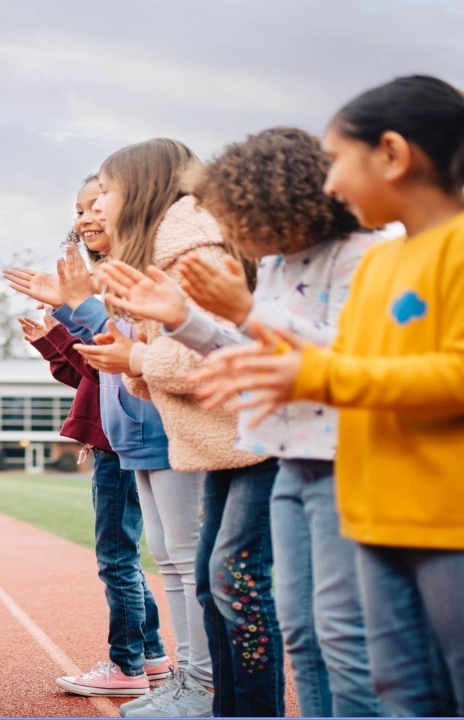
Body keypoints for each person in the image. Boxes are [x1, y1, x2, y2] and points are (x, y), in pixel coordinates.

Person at [195, 76, 464, 716]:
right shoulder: (386, 265)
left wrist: (311, 375)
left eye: (336, 161)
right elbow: (351, 364)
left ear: (392, 153)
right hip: (379, 516)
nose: (328, 185)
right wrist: (262, 364)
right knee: (404, 697)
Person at [104, 127, 380, 716]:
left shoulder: (362, 260)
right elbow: (242, 344)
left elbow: (349, 354)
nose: (227, 231)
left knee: (305, 615)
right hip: (269, 436)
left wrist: (194, 331)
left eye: (234, 217)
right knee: (226, 586)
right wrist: (179, 325)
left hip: (309, 451)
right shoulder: (277, 263)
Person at [9, 178, 172, 699]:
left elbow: (115, 361)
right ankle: (151, 654)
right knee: (132, 554)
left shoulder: (130, 280)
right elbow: (91, 373)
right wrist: (53, 336)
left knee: (122, 557)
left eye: (96, 205)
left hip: (130, 434)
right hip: (114, 431)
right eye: (79, 209)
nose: (85, 218)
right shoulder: (105, 282)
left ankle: (129, 665)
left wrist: (64, 317)